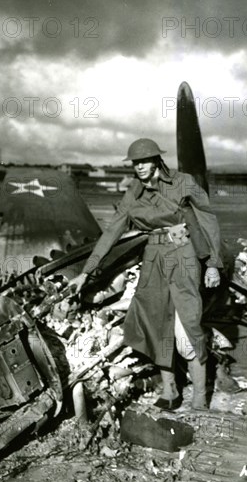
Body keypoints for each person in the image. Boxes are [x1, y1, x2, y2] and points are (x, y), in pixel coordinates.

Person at [70, 138, 222, 410]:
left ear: (157, 160)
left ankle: (200, 397)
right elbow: (112, 232)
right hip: (153, 258)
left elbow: (208, 218)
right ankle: (171, 390)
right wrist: (86, 272)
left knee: (188, 324)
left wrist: (213, 263)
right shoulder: (133, 192)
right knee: (154, 323)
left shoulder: (182, 182)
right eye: (135, 163)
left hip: (182, 253)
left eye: (144, 161)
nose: (139, 167)